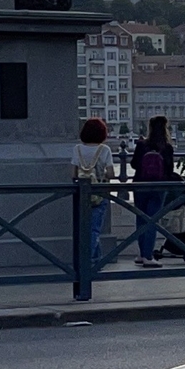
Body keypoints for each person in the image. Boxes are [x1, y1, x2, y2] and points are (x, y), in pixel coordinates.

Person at [131, 115, 179, 265]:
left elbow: (133, 164)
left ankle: (141, 254)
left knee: (141, 219)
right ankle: (148, 256)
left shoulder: (141, 145)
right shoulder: (167, 147)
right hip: (158, 187)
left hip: (140, 186)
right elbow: (170, 169)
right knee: (152, 220)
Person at [71, 116, 115, 270]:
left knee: (85, 227)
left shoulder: (77, 149)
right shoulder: (105, 150)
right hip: (100, 193)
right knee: (95, 228)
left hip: (81, 193)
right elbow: (110, 174)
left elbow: (73, 174)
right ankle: (89, 261)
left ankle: (97, 260)